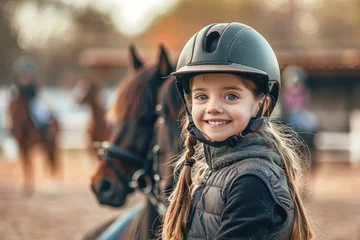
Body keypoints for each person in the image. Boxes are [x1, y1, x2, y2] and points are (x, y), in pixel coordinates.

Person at [162, 23, 313, 240]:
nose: (212, 107)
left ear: (263, 103)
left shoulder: (251, 183)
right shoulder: (217, 170)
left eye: (231, 96)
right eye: (201, 96)